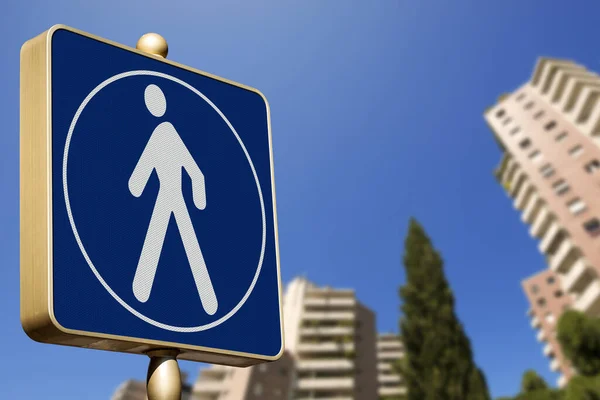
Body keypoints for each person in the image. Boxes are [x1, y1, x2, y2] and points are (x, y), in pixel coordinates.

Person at [128, 84, 218, 316]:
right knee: (183, 241)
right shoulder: (164, 133)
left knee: (173, 240)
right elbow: (195, 172)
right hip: (169, 195)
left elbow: (194, 170)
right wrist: (198, 194)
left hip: (172, 195)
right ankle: (208, 301)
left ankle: (142, 290)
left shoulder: (164, 132)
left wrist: (200, 196)